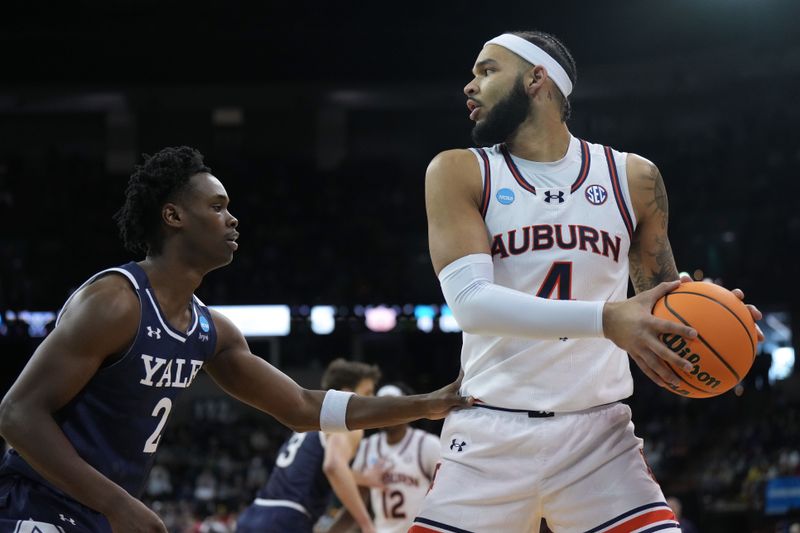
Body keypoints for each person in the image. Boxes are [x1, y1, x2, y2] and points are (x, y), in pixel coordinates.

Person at [0, 146, 470, 533]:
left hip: (97, 512)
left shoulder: (210, 330)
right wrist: (119, 504)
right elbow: (17, 413)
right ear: (173, 215)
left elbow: (304, 407)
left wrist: (425, 405)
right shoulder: (116, 302)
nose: (233, 219)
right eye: (217, 206)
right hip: (38, 504)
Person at [411, 30, 763, 533]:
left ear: (538, 79)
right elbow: (471, 303)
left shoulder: (632, 178)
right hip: (488, 439)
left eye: (487, 71)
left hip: (599, 441)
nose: (470, 86)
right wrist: (605, 319)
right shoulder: (460, 172)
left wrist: (713, 313)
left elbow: (660, 298)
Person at [236, 358, 382, 533]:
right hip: (288, 518)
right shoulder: (346, 426)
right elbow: (333, 466)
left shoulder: (311, 423)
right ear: (347, 393)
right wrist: (367, 525)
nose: (374, 400)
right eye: (368, 393)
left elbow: (320, 467)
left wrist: (364, 478)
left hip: (254, 515)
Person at [328, 383, 440, 533]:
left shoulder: (427, 445)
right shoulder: (367, 446)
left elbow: (446, 492)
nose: (386, 413)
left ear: (406, 409)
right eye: (381, 408)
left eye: (391, 407)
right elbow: (355, 499)